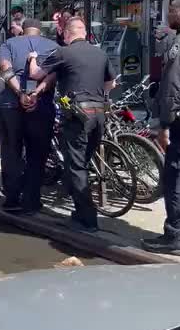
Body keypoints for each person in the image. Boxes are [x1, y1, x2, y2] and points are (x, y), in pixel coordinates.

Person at [29, 16, 115, 232]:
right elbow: (111, 83)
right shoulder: (100, 53)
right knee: (82, 164)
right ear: (85, 33)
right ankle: (77, 207)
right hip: (99, 115)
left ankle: (87, 220)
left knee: (76, 167)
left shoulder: (63, 52)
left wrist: (32, 58)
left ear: (67, 34)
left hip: (77, 116)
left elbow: (36, 74)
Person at [0, 19, 57, 212]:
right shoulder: (53, 47)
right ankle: (32, 201)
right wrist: (36, 94)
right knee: (37, 154)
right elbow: (53, 75)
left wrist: (20, 93)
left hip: (10, 105)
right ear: (40, 31)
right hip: (41, 106)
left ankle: (12, 199)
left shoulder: (9, 44)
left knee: (11, 150)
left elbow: (5, 69)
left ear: (23, 31)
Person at [143, 0, 180, 255]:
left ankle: (175, 235)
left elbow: (173, 88)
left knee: (175, 177)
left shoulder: (179, 46)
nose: (168, 14)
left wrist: (165, 123)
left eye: (172, 10)